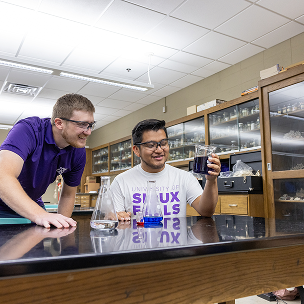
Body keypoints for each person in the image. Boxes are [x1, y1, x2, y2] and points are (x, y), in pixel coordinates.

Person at [0, 93, 95, 228]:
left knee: (41, 243)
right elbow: (3, 177)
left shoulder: (77, 151)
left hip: (32, 201)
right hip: (2, 199)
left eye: (91, 125)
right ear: (59, 123)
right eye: (82, 125)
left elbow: (68, 195)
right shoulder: (28, 130)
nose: (88, 132)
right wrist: (39, 214)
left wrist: (62, 229)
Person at [111, 119, 221, 221]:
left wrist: (211, 180)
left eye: (163, 143)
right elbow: (114, 218)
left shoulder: (184, 177)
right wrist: (114, 216)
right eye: (151, 145)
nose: (159, 150)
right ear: (136, 150)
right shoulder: (121, 182)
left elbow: (206, 211)